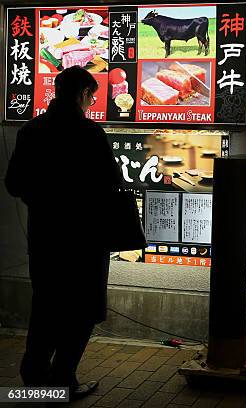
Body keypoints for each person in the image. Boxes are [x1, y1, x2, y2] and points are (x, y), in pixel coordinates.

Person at [5, 66, 122, 399]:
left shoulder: (31, 131)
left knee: (46, 305)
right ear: (84, 94)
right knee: (82, 309)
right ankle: (62, 381)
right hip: (85, 239)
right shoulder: (90, 134)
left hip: (45, 236)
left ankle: (33, 376)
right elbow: (112, 183)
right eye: (92, 97)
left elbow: (14, 184)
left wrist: (41, 199)